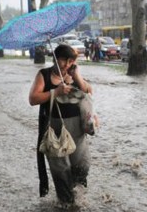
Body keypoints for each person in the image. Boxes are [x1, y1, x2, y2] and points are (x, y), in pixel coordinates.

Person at [29, 44, 93, 205]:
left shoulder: (73, 74)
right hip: (54, 128)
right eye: (63, 59)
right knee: (61, 168)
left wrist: (76, 76)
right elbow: (33, 99)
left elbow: (88, 91)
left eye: (70, 61)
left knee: (82, 165)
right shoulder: (43, 75)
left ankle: (78, 197)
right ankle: (66, 203)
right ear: (55, 58)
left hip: (76, 129)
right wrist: (54, 92)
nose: (66, 64)